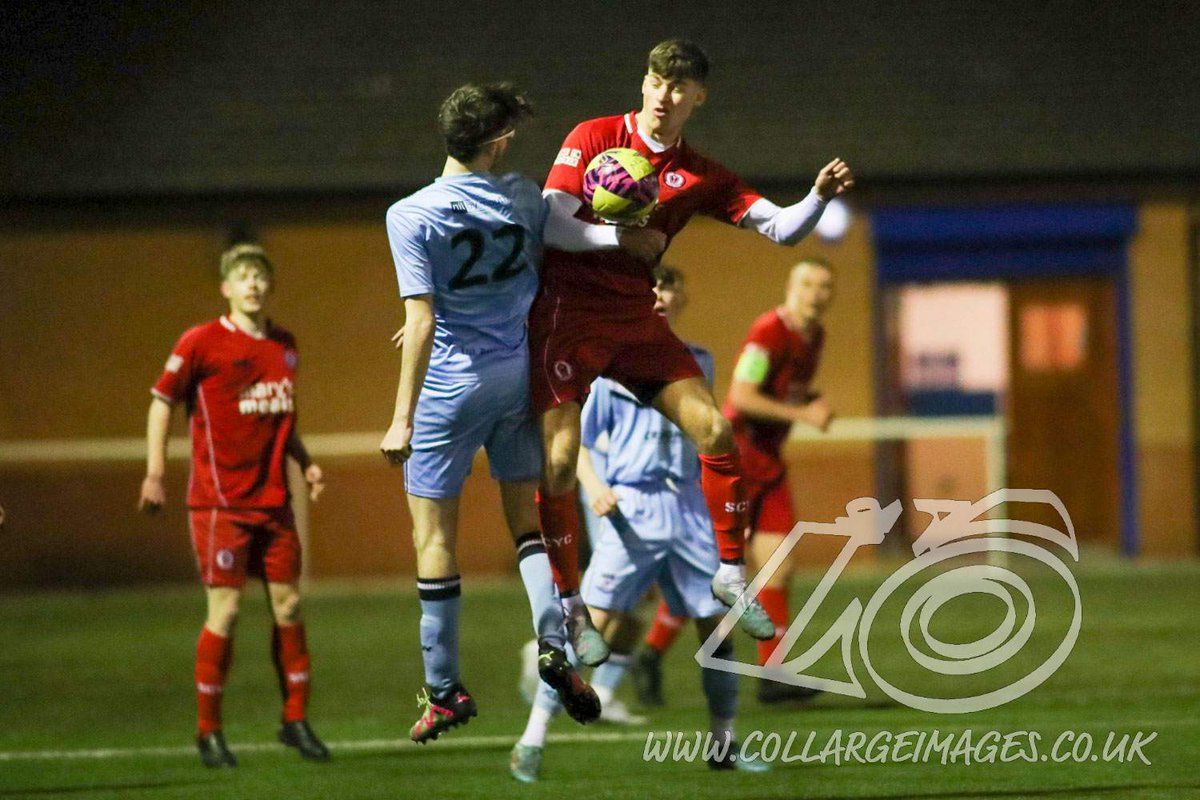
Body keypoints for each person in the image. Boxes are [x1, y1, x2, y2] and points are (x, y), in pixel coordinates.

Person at [528, 38, 854, 666]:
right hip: (568, 315)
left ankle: (730, 571)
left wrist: (817, 197)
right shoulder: (594, 136)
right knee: (562, 459)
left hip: (633, 318)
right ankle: (571, 607)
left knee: (714, 431)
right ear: (644, 82)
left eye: (679, 87)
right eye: (655, 80)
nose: (663, 95)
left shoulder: (700, 174)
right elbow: (551, 222)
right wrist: (621, 235)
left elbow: (781, 229)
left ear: (697, 98)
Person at [380, 82, 661, 743]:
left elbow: (420, 321)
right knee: (524, 523)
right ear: (499, 143)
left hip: (451, 389)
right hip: (517, 378)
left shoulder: (410, 215)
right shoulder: (524, 198)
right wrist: (631, 236)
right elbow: (575, 247)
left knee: (434, 540)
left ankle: (446, 691)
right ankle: (552, 641)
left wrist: (402, 417)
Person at [510, 266, 767, 781]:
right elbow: (577, 440)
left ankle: (723, 743)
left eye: (671, 288)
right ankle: (532, 738)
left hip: (690, 508)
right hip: (633, 510)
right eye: (653, 288)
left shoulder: (698, 361)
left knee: (717, 633)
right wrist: (594, 483)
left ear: (681, 296)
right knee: (593, 627)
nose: (662, 297)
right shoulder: (607, 368)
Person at [139, 243, 330, 768]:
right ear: (226, 287)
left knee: (289, 606)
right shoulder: (201, 342)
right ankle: (209, 732)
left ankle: (295, 720)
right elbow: (161, 401)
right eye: (243, 277)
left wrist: (305, 461)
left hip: (275, 503)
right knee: (225, 612)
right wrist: (155, 471)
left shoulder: (284, 345)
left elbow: (281, 417)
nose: (253, 285)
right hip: (220, 505)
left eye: (260, 277)